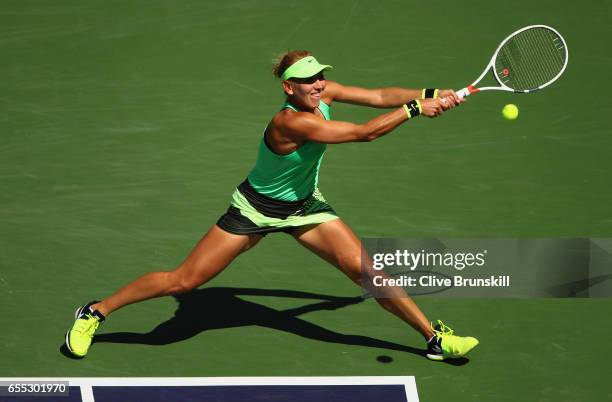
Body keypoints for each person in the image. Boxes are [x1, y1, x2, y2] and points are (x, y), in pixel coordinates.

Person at [65, 50, 478, 361]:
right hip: (255, 210)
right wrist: (413, 110)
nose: (318, 85)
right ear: (288, 88)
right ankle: (95, 312)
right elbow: (362, 134)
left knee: (367, 270)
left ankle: (433, 338)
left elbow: (378, 95)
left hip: (305, 207)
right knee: (183, 282)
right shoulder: (291, 122)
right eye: (307, 81)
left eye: (320, 77)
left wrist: (430, 93)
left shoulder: (321, 94)